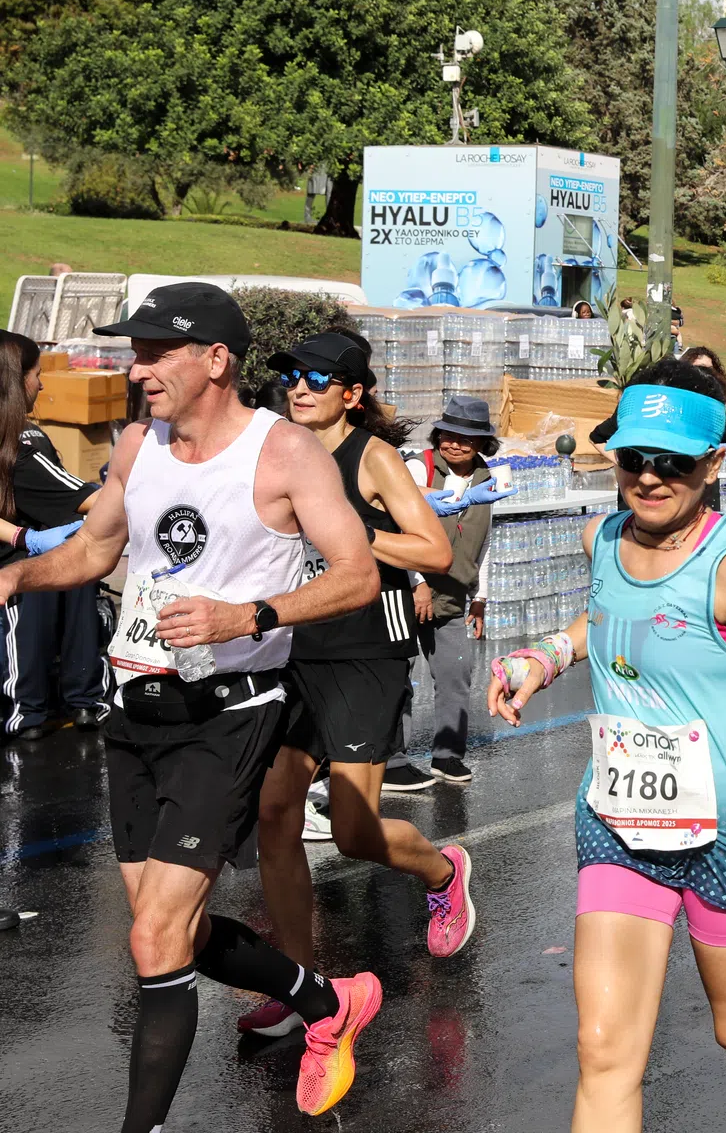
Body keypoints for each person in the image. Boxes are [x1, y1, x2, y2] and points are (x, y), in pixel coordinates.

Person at [0, 282, 386, 1123]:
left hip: (230, 715)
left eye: (153, 353)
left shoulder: (284, 453)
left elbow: (356, 574)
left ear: (215, 360)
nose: (136, 370)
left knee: (152, 940)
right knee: (169, 929)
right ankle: (327, 1003)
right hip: (135, 715)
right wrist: (15, 577)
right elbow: (98, 547)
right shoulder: (138, 446)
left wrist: (248, 615)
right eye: (134, 353)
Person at [486, 369, 726, 1133]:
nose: (652, 478)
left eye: (676, 462)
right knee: (603, 1050)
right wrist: (542, 657)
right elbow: (604, 618)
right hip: (618, 824)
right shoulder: (599, 536)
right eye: (635, 460)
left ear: (714, 465)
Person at [241, 332, 474, 1041]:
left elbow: (435, 551)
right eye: (291, 377)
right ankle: (302, 988)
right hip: (295, 647)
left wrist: (350, 534)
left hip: (366, 654)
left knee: (352, 833)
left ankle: (442, 874)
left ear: (352, 392)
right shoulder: (279, 449)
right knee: (274, 815)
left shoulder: (371, 458)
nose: (299, 388)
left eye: (317, 377)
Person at [387, 396, 508, 789]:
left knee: (456, 674)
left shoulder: (489, 478)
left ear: (481, 445)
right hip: (407, 592)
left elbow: (485, 540)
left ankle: (448, 756)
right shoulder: (415, 467)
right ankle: (392, 759)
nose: (455, 444)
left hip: (456, 593)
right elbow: (401, 532)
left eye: (466, 439)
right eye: (449, 436)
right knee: (396, 674)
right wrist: (417, 584)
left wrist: (480, 597)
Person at [0, 330, 107, 741]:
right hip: (16, 569)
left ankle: (61, 702)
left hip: (23, 549)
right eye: (36, 374)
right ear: (16, 379)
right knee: (69, 559)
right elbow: (82, 499)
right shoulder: (25, 443)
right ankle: (31, 709)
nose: (42, 384)